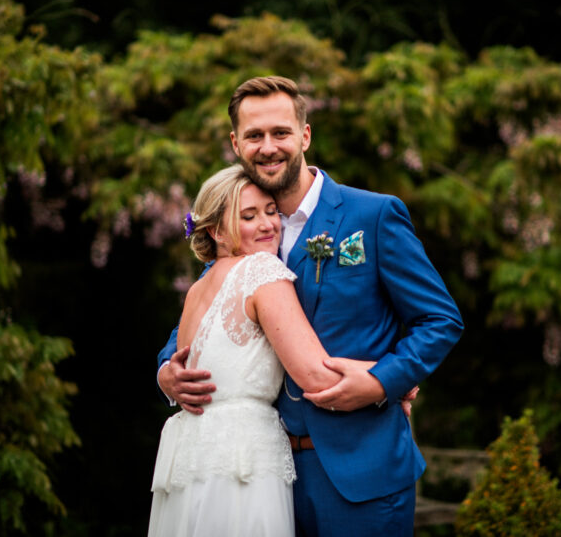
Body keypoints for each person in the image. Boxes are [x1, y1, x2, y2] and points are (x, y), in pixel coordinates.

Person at [157, 76, 464, 536]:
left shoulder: (372, 215)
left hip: (361, 470)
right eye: (254, 135)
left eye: (280, 132)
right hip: (261, 474)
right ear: (236, 144)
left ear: (304, 135)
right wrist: (167, 370)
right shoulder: (239, 233)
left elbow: (439, 319)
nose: (268, 147)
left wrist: (382, 381)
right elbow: (207, 319)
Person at [149, 165, 355, 536]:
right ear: (216, 231)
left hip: (191, 455)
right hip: (241, 459)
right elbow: (315, 376)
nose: (268, 225)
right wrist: (387, 377)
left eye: (271, 211)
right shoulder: (262, 270)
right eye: (249, 216)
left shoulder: (197, 290)